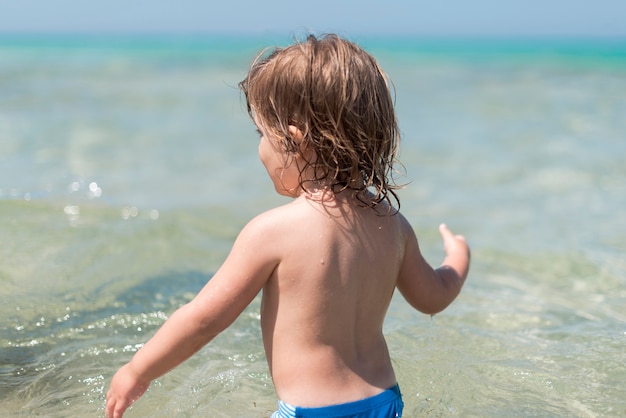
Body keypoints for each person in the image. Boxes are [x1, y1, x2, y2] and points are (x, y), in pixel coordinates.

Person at [105, 33, 470, 418]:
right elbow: (433, 297)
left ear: (295, 140)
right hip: (384, 403)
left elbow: (203, 319)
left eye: (262, 134)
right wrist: (458, 256)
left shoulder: (272, 231)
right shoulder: (392, 224)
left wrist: (137, 370)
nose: (260, 147)